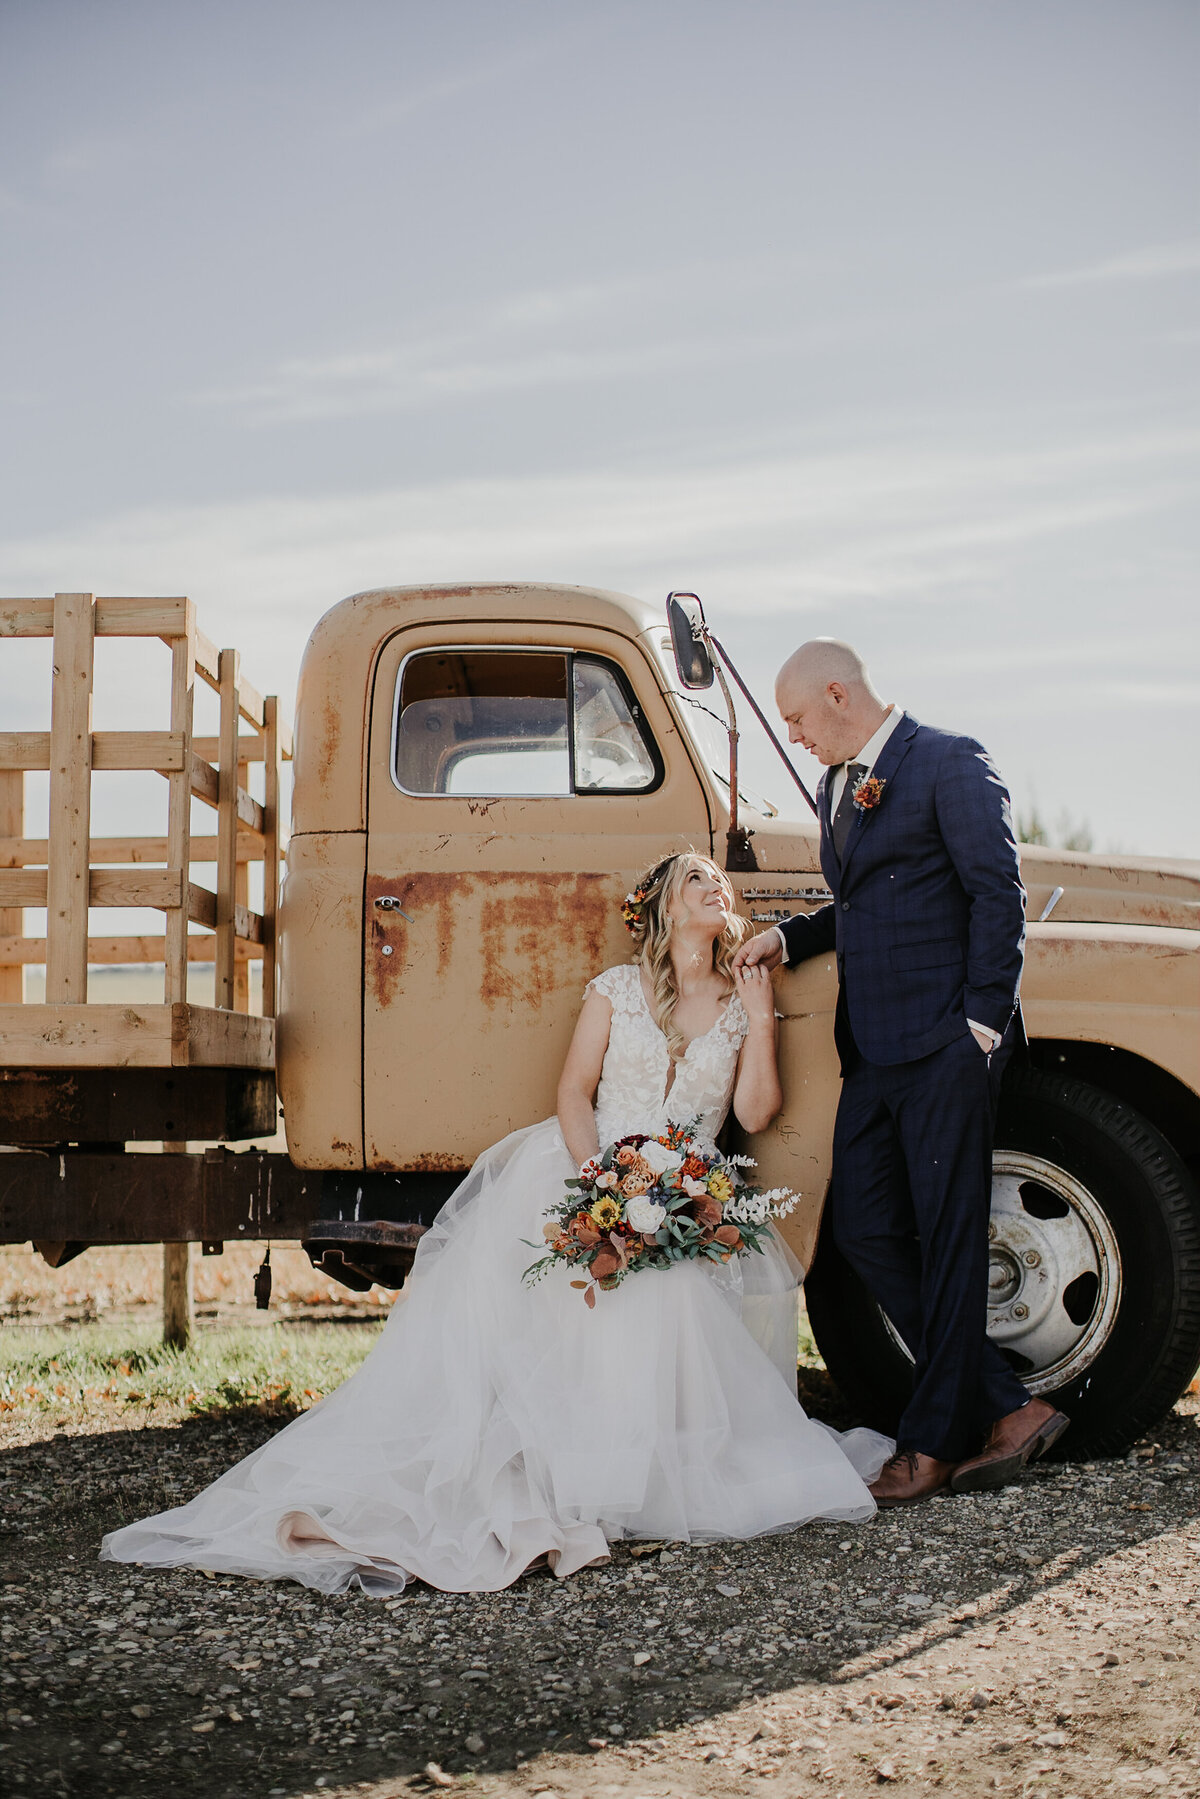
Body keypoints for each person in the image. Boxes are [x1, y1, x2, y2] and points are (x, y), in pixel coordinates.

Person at [102, 852, 891, 1595]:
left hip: (682, 1192)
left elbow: (753, 1111)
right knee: (584, 1283)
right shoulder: (617, 989)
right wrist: (601, 1190)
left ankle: (640, 1474)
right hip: (585, 1170)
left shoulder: (739, 1004)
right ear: (660, 908)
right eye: (695, 879)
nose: (715, 887)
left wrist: (758, 1020)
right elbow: (574, 1094)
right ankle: (571, 1466)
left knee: (673, 1286)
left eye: (720, 881)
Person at [734, 640, 1068, 1508]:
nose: (797, 736)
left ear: (837, 692)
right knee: (867, 1231)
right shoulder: (836, 786)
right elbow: (866, 903)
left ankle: (930, 1444)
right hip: (874, 1053)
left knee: (951, 1240)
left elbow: (998, 892)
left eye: (800, 718)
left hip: (947, 1050)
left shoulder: (949, 761)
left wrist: (981, 1029)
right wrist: (793, 936)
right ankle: (1009, 1406)